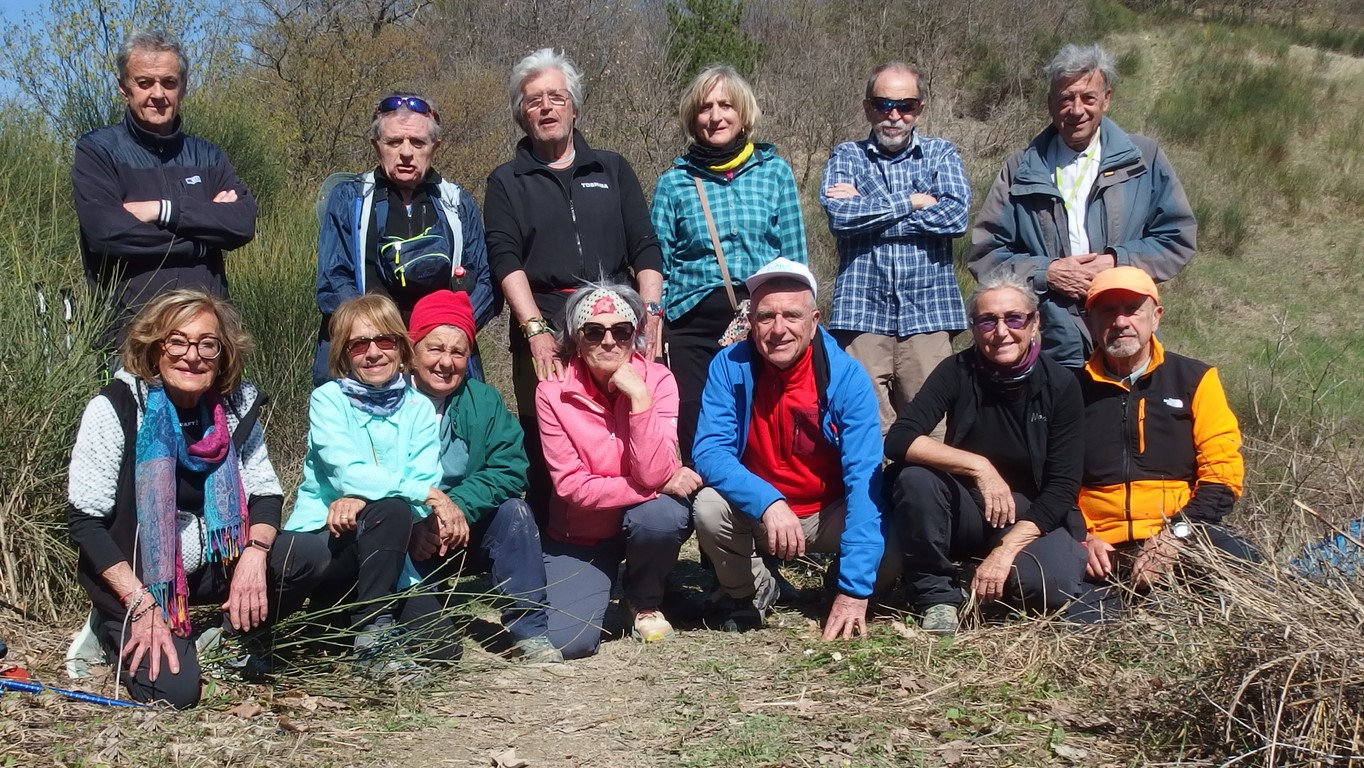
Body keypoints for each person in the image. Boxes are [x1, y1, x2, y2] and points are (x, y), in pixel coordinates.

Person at [66, 290, 326, 708]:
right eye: (177, 342)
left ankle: (227, 638)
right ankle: (108, 630)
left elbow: (265, 492)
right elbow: (85, 520)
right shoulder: (117, 407)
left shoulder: (236, 404)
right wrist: (138, 601)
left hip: (215, 562)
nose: (192, 356)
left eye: (208, 344)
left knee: (309, 554)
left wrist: (255, 555)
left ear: (223, 354)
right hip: (139, 576)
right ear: (155, 348)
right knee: (175, 692)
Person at [485, 48, 664, 515]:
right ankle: (551, 539)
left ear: (575, 107)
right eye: (534, 100)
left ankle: (636, 527)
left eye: (556, 97)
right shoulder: (506, 181)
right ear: (521, 114)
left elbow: (645, 246)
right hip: (544, 323)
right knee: (547, 436)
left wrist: (650, 313)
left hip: (615, 325)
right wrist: (534, 329)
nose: (546, 107)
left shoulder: (612, 168)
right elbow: (506, 260)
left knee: (628, 422)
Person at [692, 258, 892, 639]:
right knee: (709, 508)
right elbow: (710, 452)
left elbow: (863, 475)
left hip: (828, 512)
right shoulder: (728, 367)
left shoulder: (847, 377)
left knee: (891, 539)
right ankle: (750, 590)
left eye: (792, 316)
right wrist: (768, 502)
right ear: (751, 323)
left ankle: (837, 587)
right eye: (766, 316)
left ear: (814, 322)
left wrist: (854, 589)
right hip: (760, 514)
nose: (778, 329)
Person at [968, 43, 1196, 369]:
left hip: (1125, 337)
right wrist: (1047, 273)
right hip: (1052, 343)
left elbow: (1177, 237)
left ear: (1107, 99)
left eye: (1088, 98)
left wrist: (1117, 262)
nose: (1076, 110)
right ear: (1050, 103)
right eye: (1065, 98)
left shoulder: (1144, 158)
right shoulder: (1021, 168)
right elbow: (986, 255)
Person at [884, 271, 1088, 635]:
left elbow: (1062, 488)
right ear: (974, 328)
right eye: (987, 321)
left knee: (1051, 586)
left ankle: (988, 578)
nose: (1001, 331)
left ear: (1035, 323)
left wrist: (1005, 551)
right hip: (967, 506)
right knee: (915, 478)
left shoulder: (1060, 384)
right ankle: (937, 597)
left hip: (1029, 515)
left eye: (1014, 318)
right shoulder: (957, 370)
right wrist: (980, 467)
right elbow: (899, 439)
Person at [285, 294, 460, 673]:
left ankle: (348, 622)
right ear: (344, 354)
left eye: (385, 340)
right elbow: (347, 471)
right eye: (359, 344)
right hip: (329, 538)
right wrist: (415, 494)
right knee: (392, 507)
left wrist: (363, 499)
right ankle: (373, 634)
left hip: (387, 546)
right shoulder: (328, 400)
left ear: (400, 346)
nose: (374, 353)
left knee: (442, 649)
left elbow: (425, 477)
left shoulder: (418, 408)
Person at [1075, 267, 1255, 619]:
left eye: (1133, 309)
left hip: (1180, 533)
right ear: (1089, 321)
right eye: (1107, 311)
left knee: (1250, 573)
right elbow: (1054, 480)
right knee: (1082, 624)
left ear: (1156, 317)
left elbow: (1223, 474)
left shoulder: (1195, 379)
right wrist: (1083, 537)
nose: (1121, 321)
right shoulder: (1069, 390)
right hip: (1099, 546)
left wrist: (1175, 534)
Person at [651, 64, 808, 463]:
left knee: (760, 427)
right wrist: (654, 324)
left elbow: (795, 260)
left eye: (725, 105)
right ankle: (704, 498)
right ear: (693, 118)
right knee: (698, 430)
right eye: (705, 107)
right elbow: (659, 264)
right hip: (691, 329)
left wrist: (798, 320)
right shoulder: (674, 182)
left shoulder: (774, 172)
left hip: (761, 323)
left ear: (743, 113)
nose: (715, 116)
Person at [535, 282, 697, 658]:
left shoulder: (659, 381)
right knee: (569, 641)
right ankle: (597, 584)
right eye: (594, 331)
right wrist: (652, 487)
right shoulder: (551, 392)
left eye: (621, 331)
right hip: (581, 535)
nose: (609, 341)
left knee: (662, 515)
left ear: (634, 336)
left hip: (641, 520)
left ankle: (643, 600)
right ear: (576, 340)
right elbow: (572, 486)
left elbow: (655, 470)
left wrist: (639, 398)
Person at [72, 29, 256, 355]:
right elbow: (108, 234)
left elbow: (242, 223)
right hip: (130, 340)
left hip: (206, 342)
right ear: (123, 87)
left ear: (182, 86)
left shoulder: (208, 156)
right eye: (145, 83)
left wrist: (164, 210)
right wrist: (203, 242)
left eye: (169, 82)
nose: (158, 94)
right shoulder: (98, 151)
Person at [404, 289, 561, 662]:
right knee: (434, 646)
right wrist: (416, 522)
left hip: (466, 528)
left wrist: (457, 504)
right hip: (410, 537)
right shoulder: (388, 401)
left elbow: (511, 468)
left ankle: (530, 632)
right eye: (435, 348)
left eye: (458, 352)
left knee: (515, 513)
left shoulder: (484, 401)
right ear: (412, 350)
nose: (446, 362)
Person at [820, 62, 972, 434]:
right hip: (861, 317)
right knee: (862, 429)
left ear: (920, 108)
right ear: (867, 108)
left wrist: (869, 208)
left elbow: (955, 217)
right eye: (883, 104)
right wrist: (913, 201)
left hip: (929, 317)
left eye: (905, 105)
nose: (894, 115)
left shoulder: (941, 154)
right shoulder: (846, 156)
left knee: (934, 431)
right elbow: (842, 218)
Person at [313, 92, 496, 386]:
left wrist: (446, 336)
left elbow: (484, 283)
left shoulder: (458, 203)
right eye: (394, 142)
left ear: (435, 146)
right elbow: (334, 280)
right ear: (376, 145)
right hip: (369, 361)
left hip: (441, 367)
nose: (406, 152)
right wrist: (382, 339)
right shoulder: (349, 199)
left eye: (418, 143)